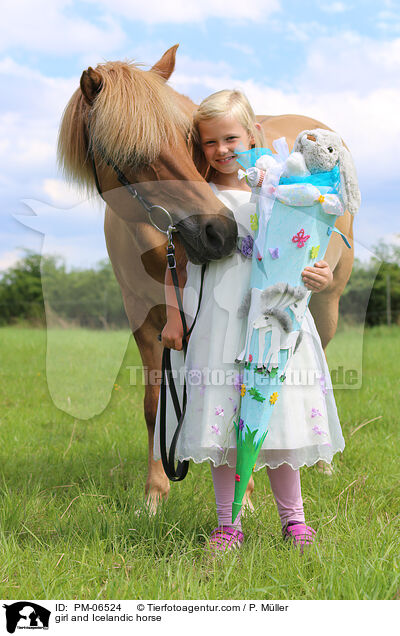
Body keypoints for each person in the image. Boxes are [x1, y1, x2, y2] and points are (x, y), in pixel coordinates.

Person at [154, 89, 345, 554]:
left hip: (276, 317)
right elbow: (174, 264)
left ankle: (293, 520)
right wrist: (175, 317)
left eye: (231, 138)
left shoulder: (282, 190)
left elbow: (325, 238)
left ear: (254, 134)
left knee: (276, 415)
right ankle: (228, 523)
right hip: (218, 321)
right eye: (209, 143)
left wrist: (323, 269)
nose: (222, 150)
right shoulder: (199, 200)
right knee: (223, 422)